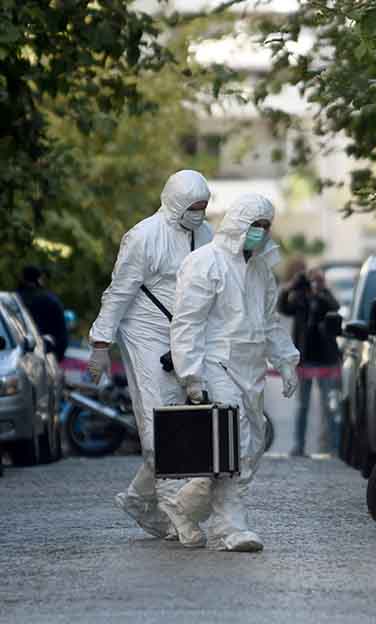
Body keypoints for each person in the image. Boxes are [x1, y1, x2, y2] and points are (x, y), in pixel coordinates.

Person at [165, 193, 299, 552]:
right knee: (234, 444)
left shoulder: (260, 271)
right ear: (239, 224)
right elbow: (187, 323)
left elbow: (269, 323)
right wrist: (191, 375)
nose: (261, 232)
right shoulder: (204, 263)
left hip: (251, 369)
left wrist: (286, 361)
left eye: (266, 226)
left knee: (250, 449)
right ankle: (231, 527)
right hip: (216, 364)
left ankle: (183, 507)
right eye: (255, 225)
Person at [87, 170, 213, 539]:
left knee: (187, 425)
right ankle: (176, 514)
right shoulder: (144, 237)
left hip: (185, 335)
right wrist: (100, 344)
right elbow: (119, 291)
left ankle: (138, 500)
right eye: (194, 207)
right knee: (160, 425)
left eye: (204, 207)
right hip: (145, 333)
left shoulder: (205, 235)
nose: (199, 214)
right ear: (176, 203)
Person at [278, 267, 341, 457]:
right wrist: (290, 287)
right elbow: (283, 308)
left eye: (318, 280)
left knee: (328, 405)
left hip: (325, 360)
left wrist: (322, 290)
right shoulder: (300, 299)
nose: (314, 284)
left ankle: (334, 448)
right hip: (304, 360)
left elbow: (335, 306)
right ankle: (299, 447)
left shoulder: (325, 298)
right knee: (302, 405)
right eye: (312, 280)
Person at [17, 265, 68, 360]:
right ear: (39, 279)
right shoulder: (51, 302)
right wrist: (56, 356)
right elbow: (61, 335)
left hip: (16, 353)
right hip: (44, 355)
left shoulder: (14, 300)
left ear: (22, 278)